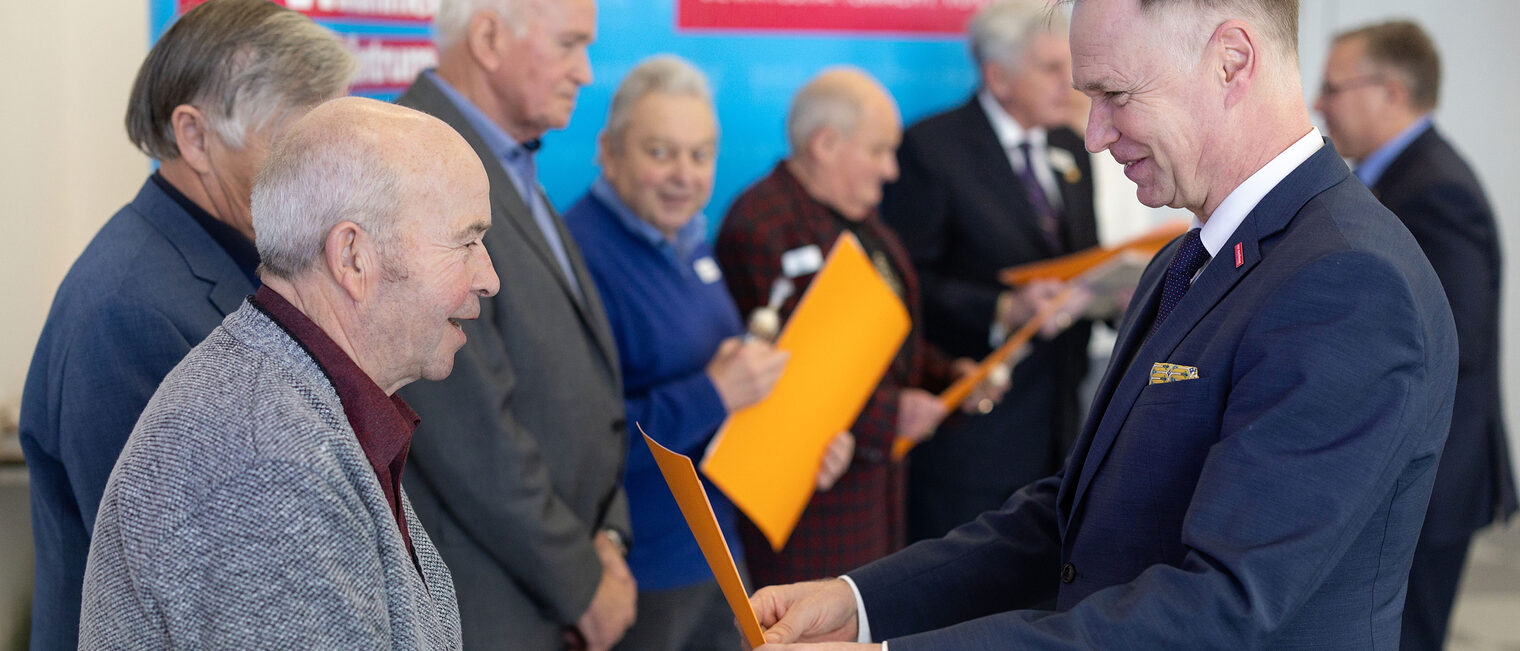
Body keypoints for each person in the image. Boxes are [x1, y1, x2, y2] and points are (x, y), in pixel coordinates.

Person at [747, 0, 1459, 648]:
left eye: (1114, 94)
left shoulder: (1348, 282)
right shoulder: (1187, 259)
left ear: (1233, 60)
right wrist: (860, 601)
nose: (1091, 136)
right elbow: (1074, 517)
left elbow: (1221, 606)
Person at [78, 97, 496, 648]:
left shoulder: (294, 403)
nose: (488, 278)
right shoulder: (263, 459)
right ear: (352, 258)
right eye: (466, 241)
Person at [17, 1, 354, 646]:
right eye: (294, 147)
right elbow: (194, 577)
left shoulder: (236, 259)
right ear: (195, 137)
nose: (324, 181)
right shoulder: (129, 313)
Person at [564, 54, 853, 650]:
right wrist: (713, 392)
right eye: (660, 152)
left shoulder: (689, 238)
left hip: (716, 553)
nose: (684, 176)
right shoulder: (580, 257)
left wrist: (800, 443)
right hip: (640, 576)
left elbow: (726, 410)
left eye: (700, 155)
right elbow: (581, 441)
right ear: (608, 149)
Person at [391, 1, 636, 648]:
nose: (586, 72)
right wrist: (584, 581)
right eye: (569, 44)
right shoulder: (418, 159)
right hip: (495, 603)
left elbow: (582, 383)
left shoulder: (509, 159)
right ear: (491, 38)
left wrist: (608, 535)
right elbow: (468, 427)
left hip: (549, 588)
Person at [715, 68, 972, 589]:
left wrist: (947, 375)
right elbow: (786, 379)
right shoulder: (760, 225)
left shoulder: (865, 220)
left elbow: (884, 344)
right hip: (809, 513)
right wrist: (891, 415)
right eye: (878, 151)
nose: (892, 171)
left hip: (877, 498)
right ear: (826, 144)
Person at [1315, 20, 1516, 651]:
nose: (1318, 104)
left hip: (1431, 480)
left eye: (1332, 87)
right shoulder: (1397, 179)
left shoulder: (1435, 190)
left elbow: (1456, 344)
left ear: (1390, 92)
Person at [880, 0, 1100, 542]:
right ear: (998, 77)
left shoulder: (1072, 145)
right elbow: (904, 287)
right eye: (1049, 68)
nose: (1067, 83)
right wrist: (1001, 308)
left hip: (1061, 425)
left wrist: (1110, 292)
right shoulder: (931, 149)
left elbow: (1083, 256)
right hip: (973, 436)